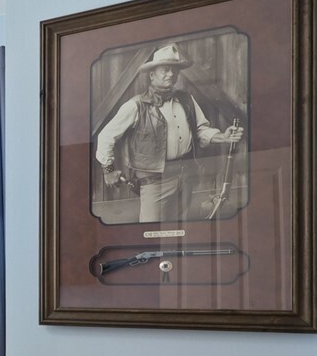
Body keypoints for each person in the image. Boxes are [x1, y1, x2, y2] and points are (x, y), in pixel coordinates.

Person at [94, 43, 244, 222]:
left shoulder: (187, 100)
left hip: (186, 175)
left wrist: (222, 136)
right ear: (152, 75)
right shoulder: (135, 105)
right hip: (154, 181)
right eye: (165, 70)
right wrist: (108, 170)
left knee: (181, 229)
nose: (171, 75)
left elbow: (200, 129)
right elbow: (106, 136)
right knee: (150, 231)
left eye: (174, 71)